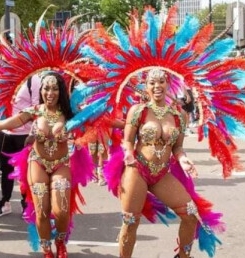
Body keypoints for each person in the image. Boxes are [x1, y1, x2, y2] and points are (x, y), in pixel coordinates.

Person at [104, 68, 223, 258]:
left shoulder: (179, 116)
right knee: (131, 220)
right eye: (152, 82)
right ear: (146, 87)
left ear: (168, 84)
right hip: (138, 170)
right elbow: (128, 140)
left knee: (190, 215)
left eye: (161, 82)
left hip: (161, 174)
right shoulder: (138, 111)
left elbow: (178, 147)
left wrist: (183, 160)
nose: (157, 86)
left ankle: (183, 256)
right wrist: (128, 153)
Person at [0, 71, 92, 258]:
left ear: (61, 91)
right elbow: (15, 121)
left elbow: (92, 121)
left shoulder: (69, 112)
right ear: (41, 90)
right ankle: (46, 249)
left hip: (61, 164)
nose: (50, 93)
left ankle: (60, 241)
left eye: (55, 89)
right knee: (41, 211)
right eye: (46, 88)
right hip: (37, 163)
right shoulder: (35, 111)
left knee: (62, 210)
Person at [0, 74, 41, 216]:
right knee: (6, 170)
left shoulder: (33, 79)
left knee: (25, 172)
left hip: (25, 134)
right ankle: (5, 201)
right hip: (5, 133)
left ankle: (26, 204)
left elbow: (37, 108)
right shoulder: (5, 77)